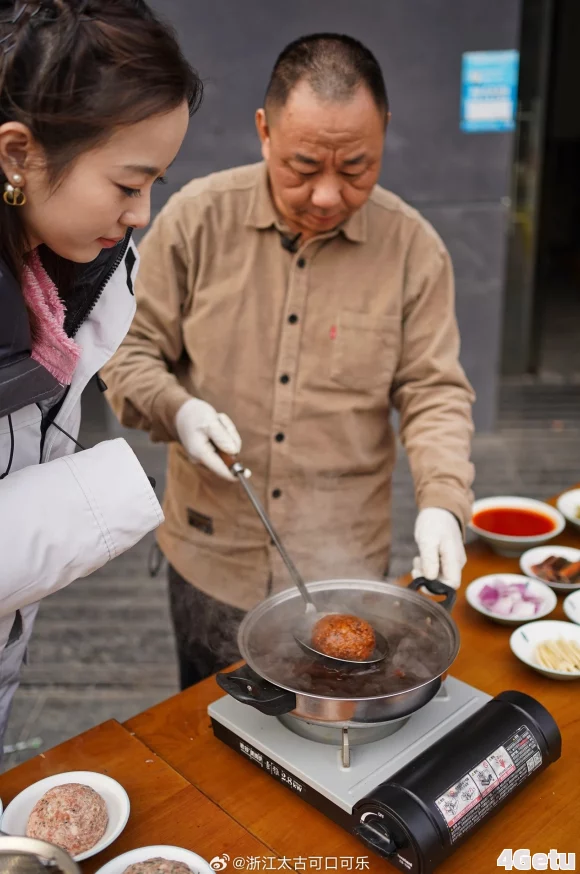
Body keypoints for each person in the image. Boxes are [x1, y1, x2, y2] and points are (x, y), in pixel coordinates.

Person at [103, 33, 475, 690]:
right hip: (212, 555)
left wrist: (443, 500)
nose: (328, 195)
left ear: (384, 132)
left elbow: (433, 389)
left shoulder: (414, 249)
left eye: (356, 167)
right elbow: (126, 354)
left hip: (347, 570)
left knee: (336, 731)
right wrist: (178, 409)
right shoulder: (196, 220)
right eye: (304, 166)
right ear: (264, 131)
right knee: (207, 726)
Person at [0, 0, 202, 746]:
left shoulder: (82, 266)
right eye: (127, 184)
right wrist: (105, 496)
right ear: (18, 153)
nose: (144, 212)